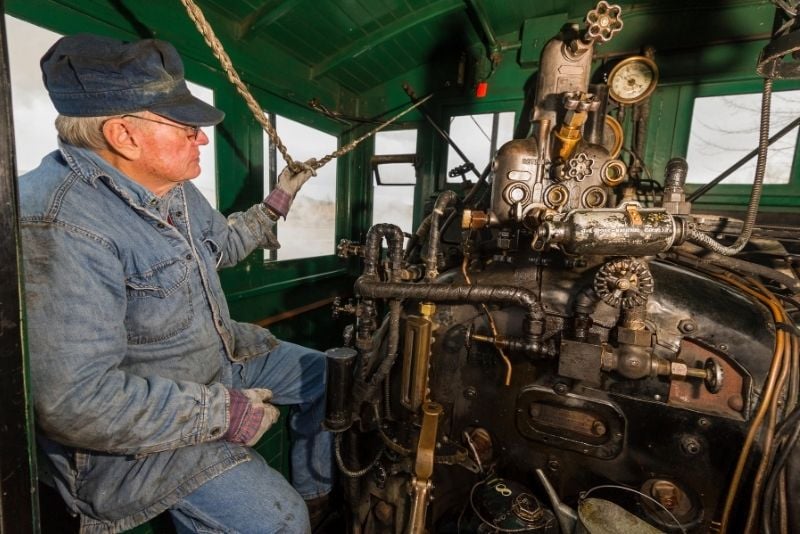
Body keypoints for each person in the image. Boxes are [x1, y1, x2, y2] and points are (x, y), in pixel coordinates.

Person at [19, 33, 333, 533]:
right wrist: (222, 412)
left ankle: (319, 494)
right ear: (124, 134)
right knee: (280, 522)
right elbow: (74, 404)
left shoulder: (173, 191)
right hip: (133, 436)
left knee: (328, 377)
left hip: (219, 367)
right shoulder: (56, 222)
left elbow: (223, 245)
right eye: (185, 127)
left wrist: (277, 201)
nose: (202, 138)